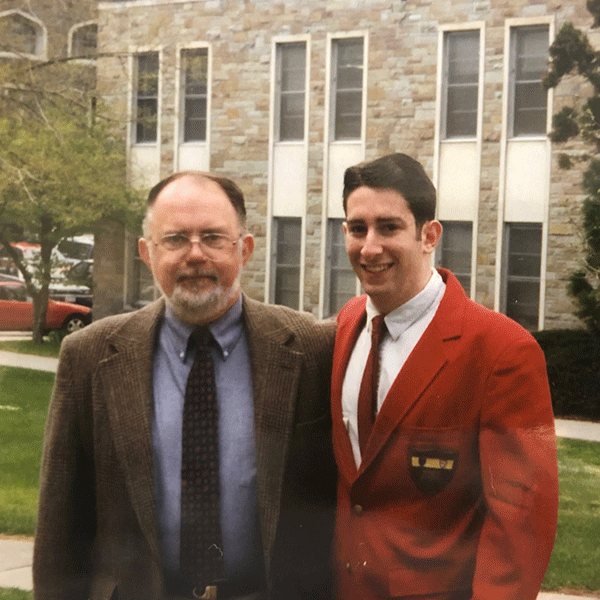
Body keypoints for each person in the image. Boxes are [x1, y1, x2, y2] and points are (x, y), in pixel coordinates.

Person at [33, 171, 337, 600]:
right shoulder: (90, 356)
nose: (195, 255)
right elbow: (58, 530)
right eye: (175, 239)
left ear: (245, 248)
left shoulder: (311, 348)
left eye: (213, 237)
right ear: (146, 252)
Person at [331, 153, 558, 600]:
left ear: (428, 235)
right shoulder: (346, 323)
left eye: (389, 227)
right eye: (358, 229)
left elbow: (521, 522)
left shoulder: (503, 351)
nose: (369, 246)